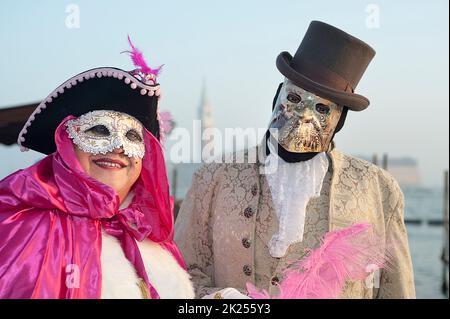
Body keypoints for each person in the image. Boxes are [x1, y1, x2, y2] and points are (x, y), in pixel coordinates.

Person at [174, 21, 416, 299]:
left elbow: (396, 291)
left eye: (322, 108)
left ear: (340, 121)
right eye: (294, 97)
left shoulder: (379, 189)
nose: (304, 115)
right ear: (276, 96)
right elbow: (179, 279)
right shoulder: (213, 177)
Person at [0, 38, 194, 299]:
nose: (118, 147)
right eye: (100, 130)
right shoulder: (22, 229)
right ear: (67, 143)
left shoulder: (151, 238)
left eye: (133, 137)